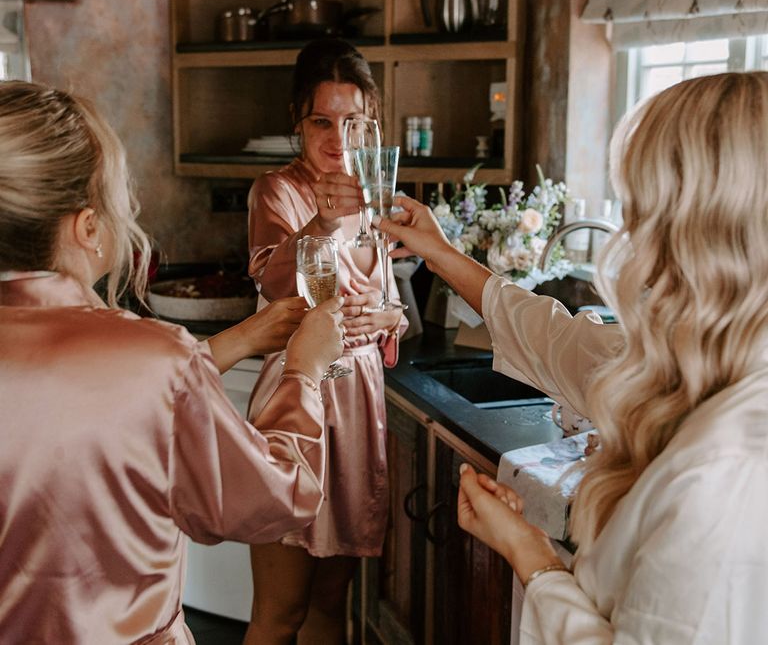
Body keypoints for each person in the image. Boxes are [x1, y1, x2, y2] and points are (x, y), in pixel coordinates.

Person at [375, 71, 768, 642]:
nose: (631, 235)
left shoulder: (728, 475)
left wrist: (530, 553)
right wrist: (441, 253)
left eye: (642, 210)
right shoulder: (696, 365)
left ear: (699, 231)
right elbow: (557, 340)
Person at [0, 80, 346, 643]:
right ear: (88, 228)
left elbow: (81, 401)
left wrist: (235, 341)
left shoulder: (156, 363)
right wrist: (303, 371)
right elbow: (279, 496)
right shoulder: (153, 358)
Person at [245, 38, 408, 644]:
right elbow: (274, 278)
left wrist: (388, 319)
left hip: (359, 409)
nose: (339, 138)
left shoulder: (376, 198)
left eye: (355, 121)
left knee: (329, 605)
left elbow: (395, 307)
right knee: (280, 610)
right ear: (299, 121)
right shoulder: (278, 192)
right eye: (322, 121)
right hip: (300, 402)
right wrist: (325, 222)